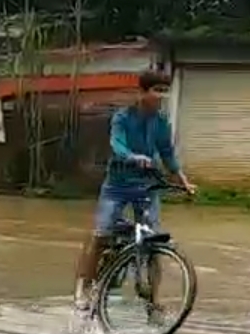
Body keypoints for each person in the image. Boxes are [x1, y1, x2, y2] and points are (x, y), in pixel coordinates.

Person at [74, 70, 195, 315]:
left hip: (147, 187)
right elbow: (116, 143)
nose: (161, 95)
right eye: (156, 90)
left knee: (153, 241)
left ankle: (152, 301)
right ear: (142, 92)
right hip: (117, 187)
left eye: (164, 90)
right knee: (101, 234)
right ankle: (83, 288)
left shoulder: (161, 122)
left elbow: (167, 153)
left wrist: (183, 180)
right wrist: (132, 156)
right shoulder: (123, 117)